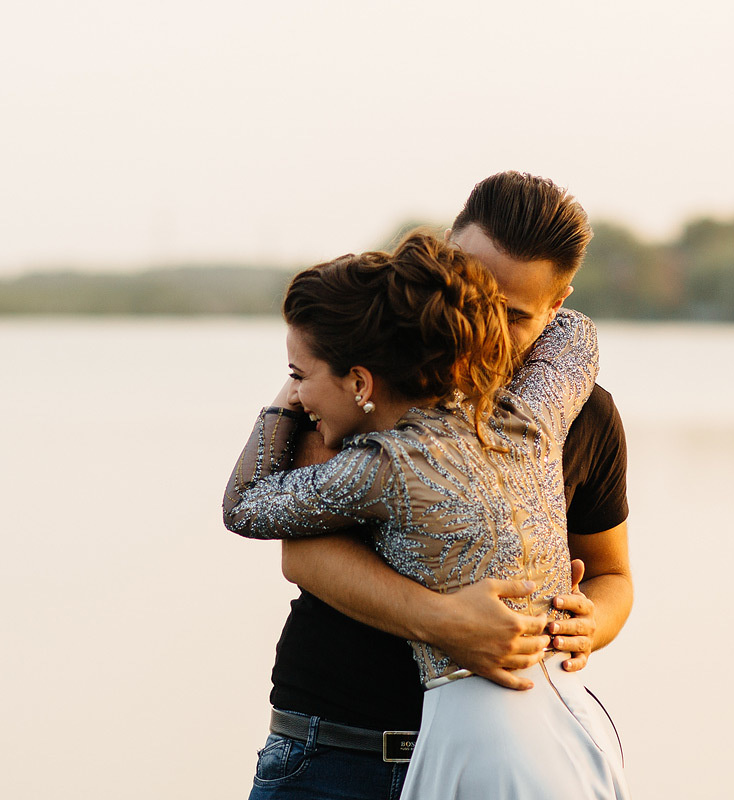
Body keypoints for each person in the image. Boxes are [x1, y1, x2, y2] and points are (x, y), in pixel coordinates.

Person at [235, 172, 632, 799]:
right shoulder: (366, 389)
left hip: (504, 754)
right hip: (335, 751)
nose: (481, 323)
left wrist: (592, 622)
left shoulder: (580, 413)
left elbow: (611, 574)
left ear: (556, 305)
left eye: (512, 314)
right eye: (471, 288)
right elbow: (302, 553)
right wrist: (446, 623)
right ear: (444, 258)